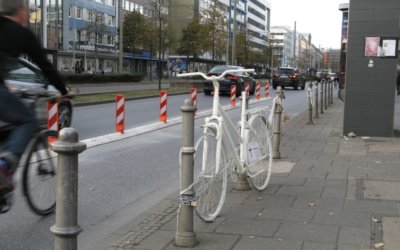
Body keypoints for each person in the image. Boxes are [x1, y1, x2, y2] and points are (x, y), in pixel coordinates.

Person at [0, 0, 69, 212]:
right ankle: (4, 168)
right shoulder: (21, 34)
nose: (28, 16)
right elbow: (45, 66)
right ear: (20, 11)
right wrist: (64, 91)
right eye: (28, 11)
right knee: (27, 119)